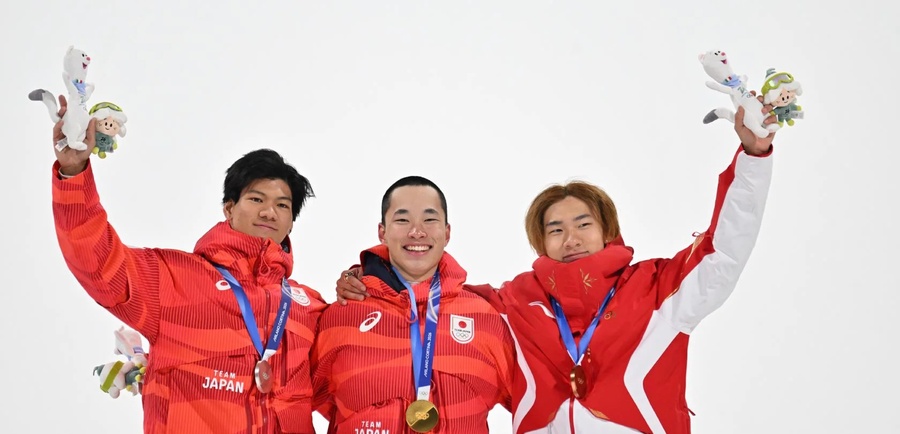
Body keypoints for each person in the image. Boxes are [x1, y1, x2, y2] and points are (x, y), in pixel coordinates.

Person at [336, 103, 780, 433]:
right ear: (540, 242)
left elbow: (725, 251)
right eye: (555, 229)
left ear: (607, 229)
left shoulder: (658, 288)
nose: (570, 239)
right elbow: (428, 292)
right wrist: (370, 278)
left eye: (583, 224)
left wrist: (753, 158)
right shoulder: (514, 301)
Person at [50, 94, 327, 434]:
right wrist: (74, 172)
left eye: (283, 205)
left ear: (291, 221)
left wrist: (374, 277)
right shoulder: (173, 280)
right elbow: (98, 261)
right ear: (229, 208)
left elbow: (363, 382)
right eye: (256, 199)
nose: (269, 212)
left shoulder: (309, 309)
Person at [311, 176, 516, 434]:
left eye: (429, 219)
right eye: (402, 219)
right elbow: (294, 401)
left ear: (447, 232)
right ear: (382, 232)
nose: (417, 231)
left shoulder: (484, 317)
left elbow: (534, 404)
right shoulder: (342, 315)